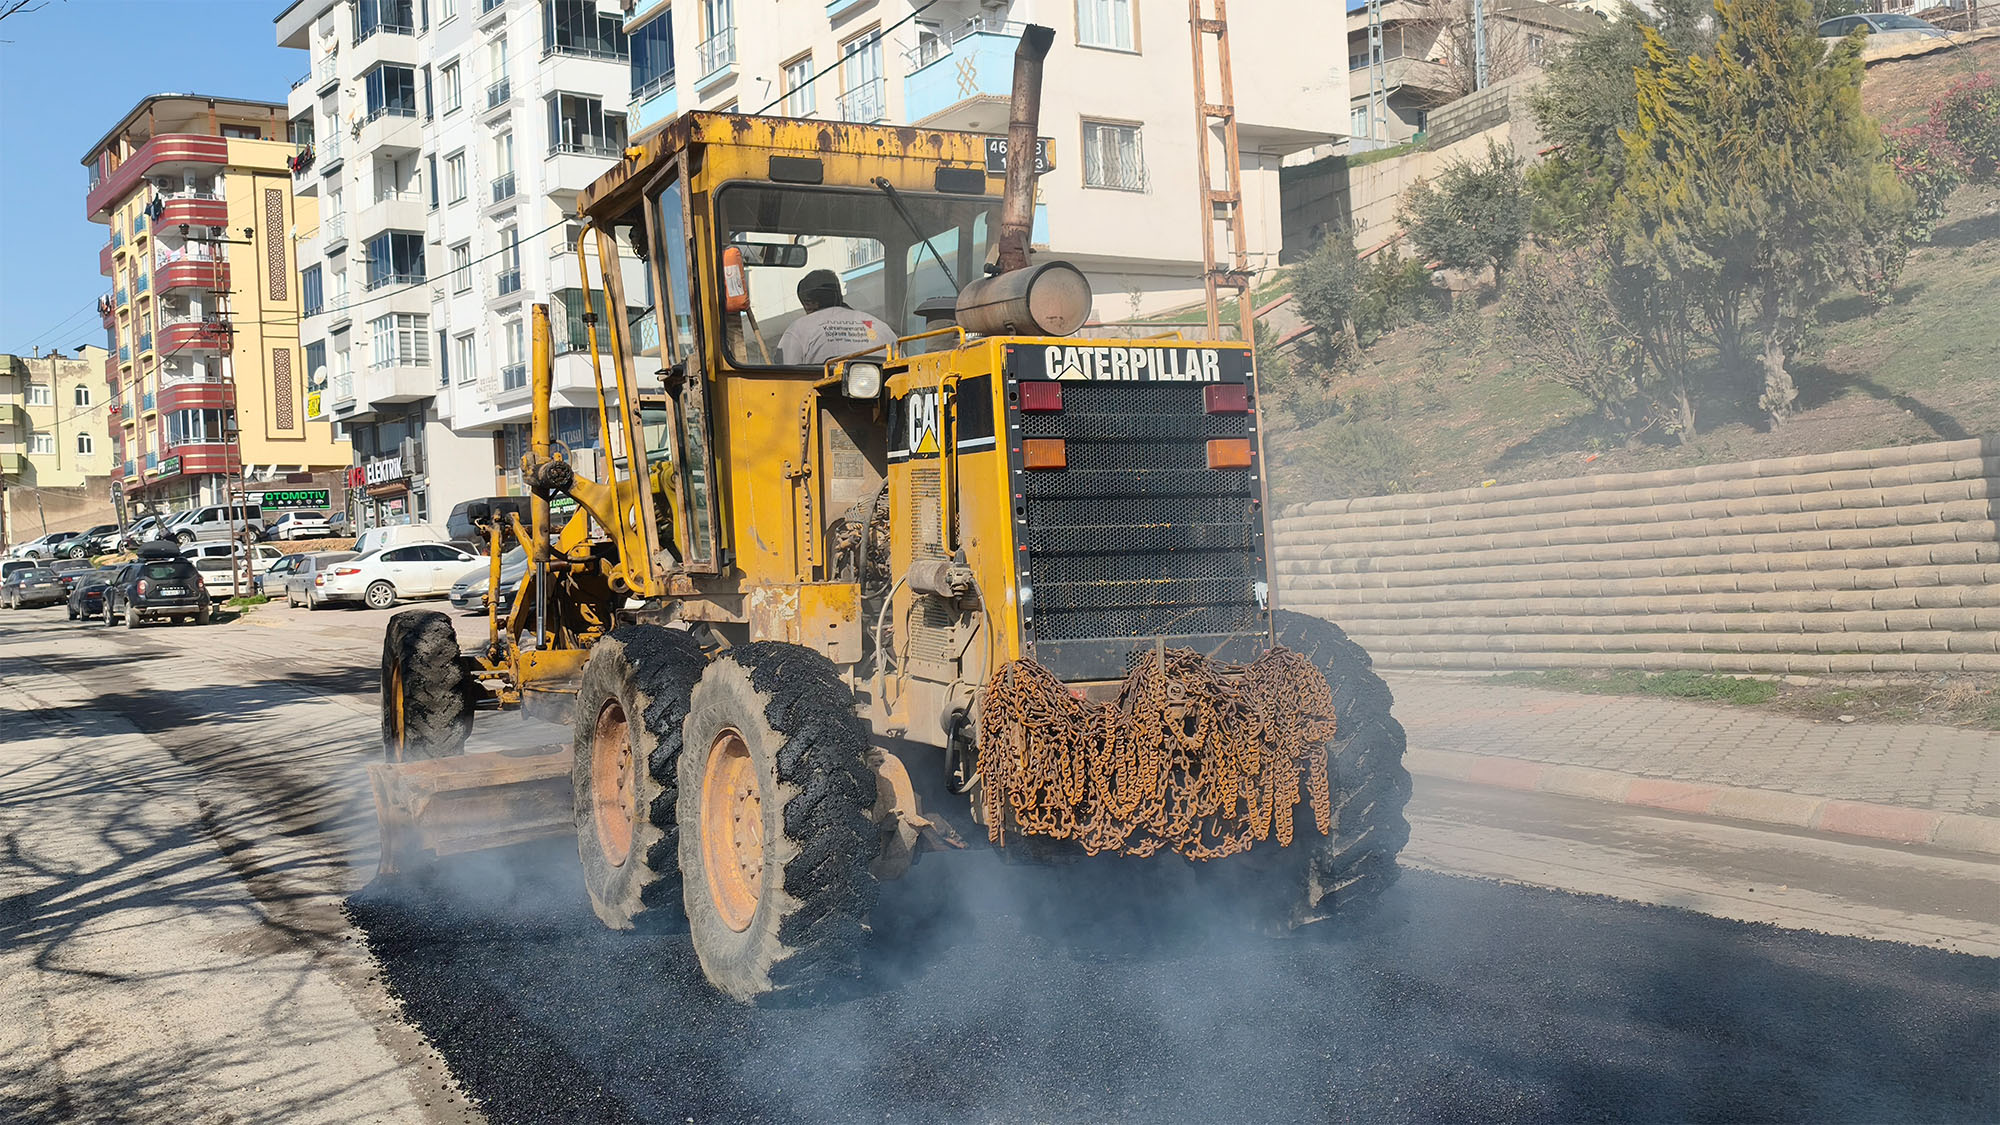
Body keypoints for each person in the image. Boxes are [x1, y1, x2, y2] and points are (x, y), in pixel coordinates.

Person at [777, 269, 888, 366]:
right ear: (838, 294)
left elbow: (784, 378)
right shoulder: (881, 328)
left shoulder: (799, 330)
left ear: (809, 303)